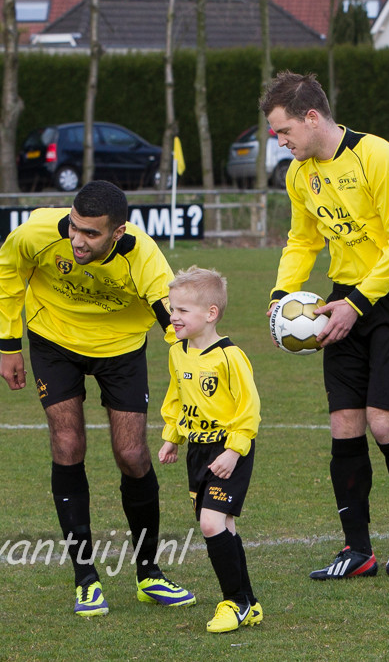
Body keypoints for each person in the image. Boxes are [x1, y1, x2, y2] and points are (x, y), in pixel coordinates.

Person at [0, 180, 196, 616]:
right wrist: (9, 344)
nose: (78, 240)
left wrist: (196, 374)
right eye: (74, 227)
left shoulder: (144, 257)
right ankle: (85, 578)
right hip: (54, 339)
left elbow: (174, 323)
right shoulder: (38, 232)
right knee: (67, 444)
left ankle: (149, 574)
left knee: (132, 454)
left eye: (91, 233)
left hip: (120, 348)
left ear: (118, 232)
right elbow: (7, 271)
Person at [260, 71, 389, 580]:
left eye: (284, 130)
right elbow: (302, 240)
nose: (281, 141)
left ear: (312, 117)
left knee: (384, 422)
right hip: (343, 299)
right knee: (344, 424)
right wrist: (281, 296)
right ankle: (357, 549)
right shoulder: (300, 175)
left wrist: (357, 303)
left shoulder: (377, 156)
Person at [157, 266, 263, 633]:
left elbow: (249, 409)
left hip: (229, 449)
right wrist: (172, 436)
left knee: (211, 523)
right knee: (225, 525)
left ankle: (234, 602)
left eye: (183, 310)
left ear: (210, 313)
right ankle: (249, 603)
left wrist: (234, 451)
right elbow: (177, 397)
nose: (174, 316)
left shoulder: (230, 357)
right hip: (198, 451)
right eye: (172, 309)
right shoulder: (178, 352)